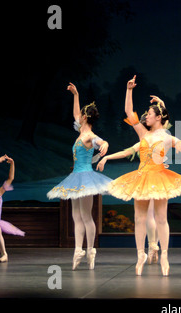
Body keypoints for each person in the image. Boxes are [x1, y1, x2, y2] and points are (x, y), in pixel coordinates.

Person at [108, 76, 181, 276]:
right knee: (139, 218)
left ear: (158, 117)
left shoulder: (167, 138)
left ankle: (164, 255)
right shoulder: (143, 134)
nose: (145, 116)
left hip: (159, 176)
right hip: (142, 176)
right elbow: (128, 112)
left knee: (161, 218)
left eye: (149, 113)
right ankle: (141, 254)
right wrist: (129, 90)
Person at [47, 83, 112, 270]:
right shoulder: (81, 132)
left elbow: (100, 141)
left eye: (81, 115)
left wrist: (105, 144)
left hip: (86, 177)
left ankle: (90, 250)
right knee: (76, 216)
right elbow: (76, 115)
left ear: (85, 117)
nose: (78, 117)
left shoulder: (89, 135)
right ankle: (78, 250)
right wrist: (76, 95)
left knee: (85, 215)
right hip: (75, 176)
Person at [97, 142, 160, 264]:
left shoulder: (144, 141)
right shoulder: (157, 139)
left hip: (145, 177)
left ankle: (147, 249)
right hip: (156, 176)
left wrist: (106, 157)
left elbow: (125, 153)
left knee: (145, 215)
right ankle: (153, 245)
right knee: (152, 214)